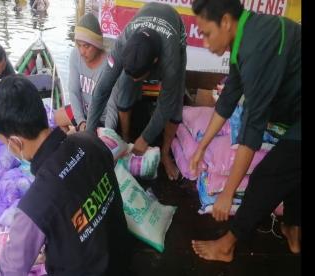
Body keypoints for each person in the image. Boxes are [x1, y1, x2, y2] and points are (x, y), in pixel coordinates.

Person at [0, 74, 131, 276]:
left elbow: (7, 273)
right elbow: (80, 197)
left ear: (15, 142)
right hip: (123, 262)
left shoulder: (34, 206)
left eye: (5, 143)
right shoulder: (90, 141)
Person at [189, 0, 301, 261]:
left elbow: (253, 129)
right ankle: (294, 230)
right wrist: (202, 147)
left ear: (226, 22)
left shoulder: (257, 48)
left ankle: (227, 245)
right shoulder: (245, 40)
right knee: (294, 168)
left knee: (266, 176)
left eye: (206, 34)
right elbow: (228, 98)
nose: (205, 42)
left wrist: (228, 193)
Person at [85, 2, 187, 181]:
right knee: (124, 89)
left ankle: (164, 153)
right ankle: (125, 139)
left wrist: (144, 139)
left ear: (156, 62)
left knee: (175, 103)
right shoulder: (123, 44)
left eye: (138, 77)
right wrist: (88, 134)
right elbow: (101, 90)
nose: (134, 80)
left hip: (173, 32)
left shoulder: (170, 60)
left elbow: (165, 105)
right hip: (141, 28)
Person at [54, 13, 119, 133]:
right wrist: (81, 122)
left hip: (102, 119)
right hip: (84, 114)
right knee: (57, 117)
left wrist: (109, 134)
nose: (82, 51)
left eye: (87, 46)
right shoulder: (75, 54)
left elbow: (112, 107)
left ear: (97, 45)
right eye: (79, 45)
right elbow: (73, 92)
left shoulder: (109, 64)